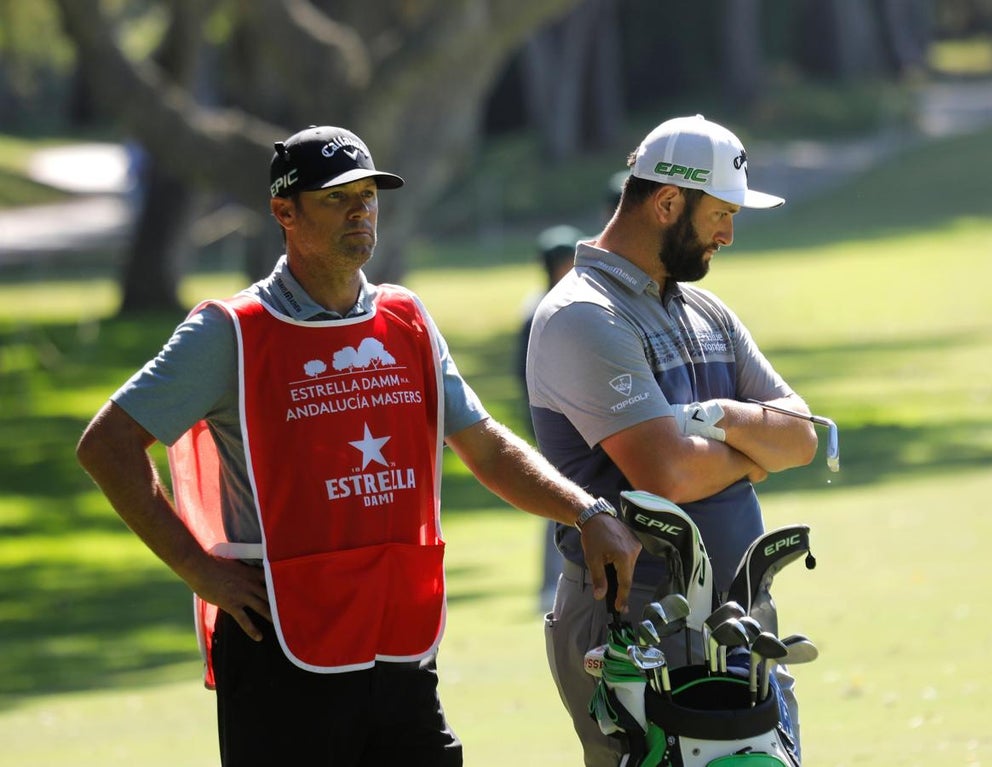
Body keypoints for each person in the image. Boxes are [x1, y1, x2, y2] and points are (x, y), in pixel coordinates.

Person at [76, 125, 641, 767]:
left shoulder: (407, 321)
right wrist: (196, 568)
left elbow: (483, 445)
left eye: (368, 196)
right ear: (284, 212)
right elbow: (108, 446)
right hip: (278, 638)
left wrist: (586, 511)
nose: (359, 211)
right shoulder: (228, 333)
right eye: (336, 197)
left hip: (398, 637)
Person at [525, 114, 819, 767]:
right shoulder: (583, 314)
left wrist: (714, 417)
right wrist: (750, 453)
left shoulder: (706, 311)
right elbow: (668, 475)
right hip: (635, 620)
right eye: (720, 214)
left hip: (739, 613)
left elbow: (802, 437)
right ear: (666, 202)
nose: (730, 235)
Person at [515, 225, 582, 612]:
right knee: (558, 504)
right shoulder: (541, 311)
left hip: (575, 421)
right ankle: (549, 587)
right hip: (555, 424)